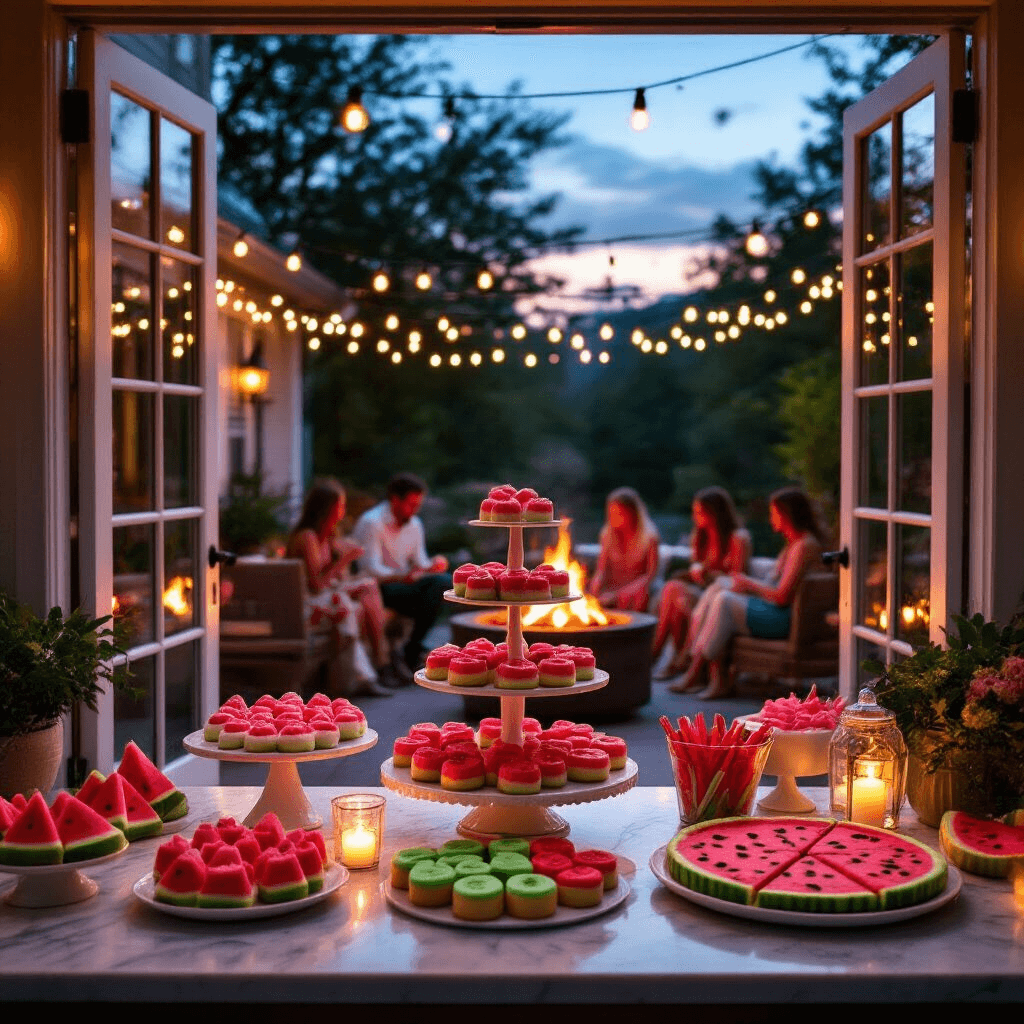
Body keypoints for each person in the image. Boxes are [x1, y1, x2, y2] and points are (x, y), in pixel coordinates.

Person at [669, 487, 826, 700]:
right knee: (722, 587)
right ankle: (701, 672)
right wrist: (744, 583)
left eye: (774, 513)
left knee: (723, 600)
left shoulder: (803, 546)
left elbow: (782, 596)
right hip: (777, 612)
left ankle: (702, 672)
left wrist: (749, 584)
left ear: (786, 515)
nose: (771, 518)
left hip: (784, 619)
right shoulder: (795, 543)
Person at [286, 478, 399, 697]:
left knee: (368, 587)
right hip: (309, 601)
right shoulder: (307, 537)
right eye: (340, 506)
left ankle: (379, 665)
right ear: (327, 509)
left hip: (326, 593)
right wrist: (344, 560)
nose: (343, 511)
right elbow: (316, 585)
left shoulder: (326, 535)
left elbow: (331, 577)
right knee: (353, 607)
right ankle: (376, 669)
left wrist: (344, 553)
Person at [353, 473, 452, 671]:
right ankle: (410, 652)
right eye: (412, 505)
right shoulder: (372, 522)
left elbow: (420, 562)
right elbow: (370, 568)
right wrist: (401, 576)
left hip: (404, 584)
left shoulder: (414, 524)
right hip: (378, 587)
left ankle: (411, 648)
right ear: (395, 500)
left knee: (444, 582)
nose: (415, 510)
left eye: (418, 505)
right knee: (432, 595)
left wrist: (432, 564)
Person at [652, 487, 751, 679]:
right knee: (673, 590)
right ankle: (674, 659)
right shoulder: (701, 536)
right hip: (702, 591)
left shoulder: (737, 538)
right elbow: (697, 571)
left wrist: (708, 574)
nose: (694, 516)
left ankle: (664, 657)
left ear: (714, 513)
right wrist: (693, 574)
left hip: (720, 598)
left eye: (699, 512)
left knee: (676, 595)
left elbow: (737, 579)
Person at [588, 487, 660, 612]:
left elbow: (650, 575)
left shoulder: (649, 537)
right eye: (612, 514)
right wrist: (597, 583)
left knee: (639, 595)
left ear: (633, 513)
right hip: (613, 588)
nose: (614, 518)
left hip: (637, 589)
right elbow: (602, 570)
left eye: (620, 513)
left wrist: (620, 594)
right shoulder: (607, 535)